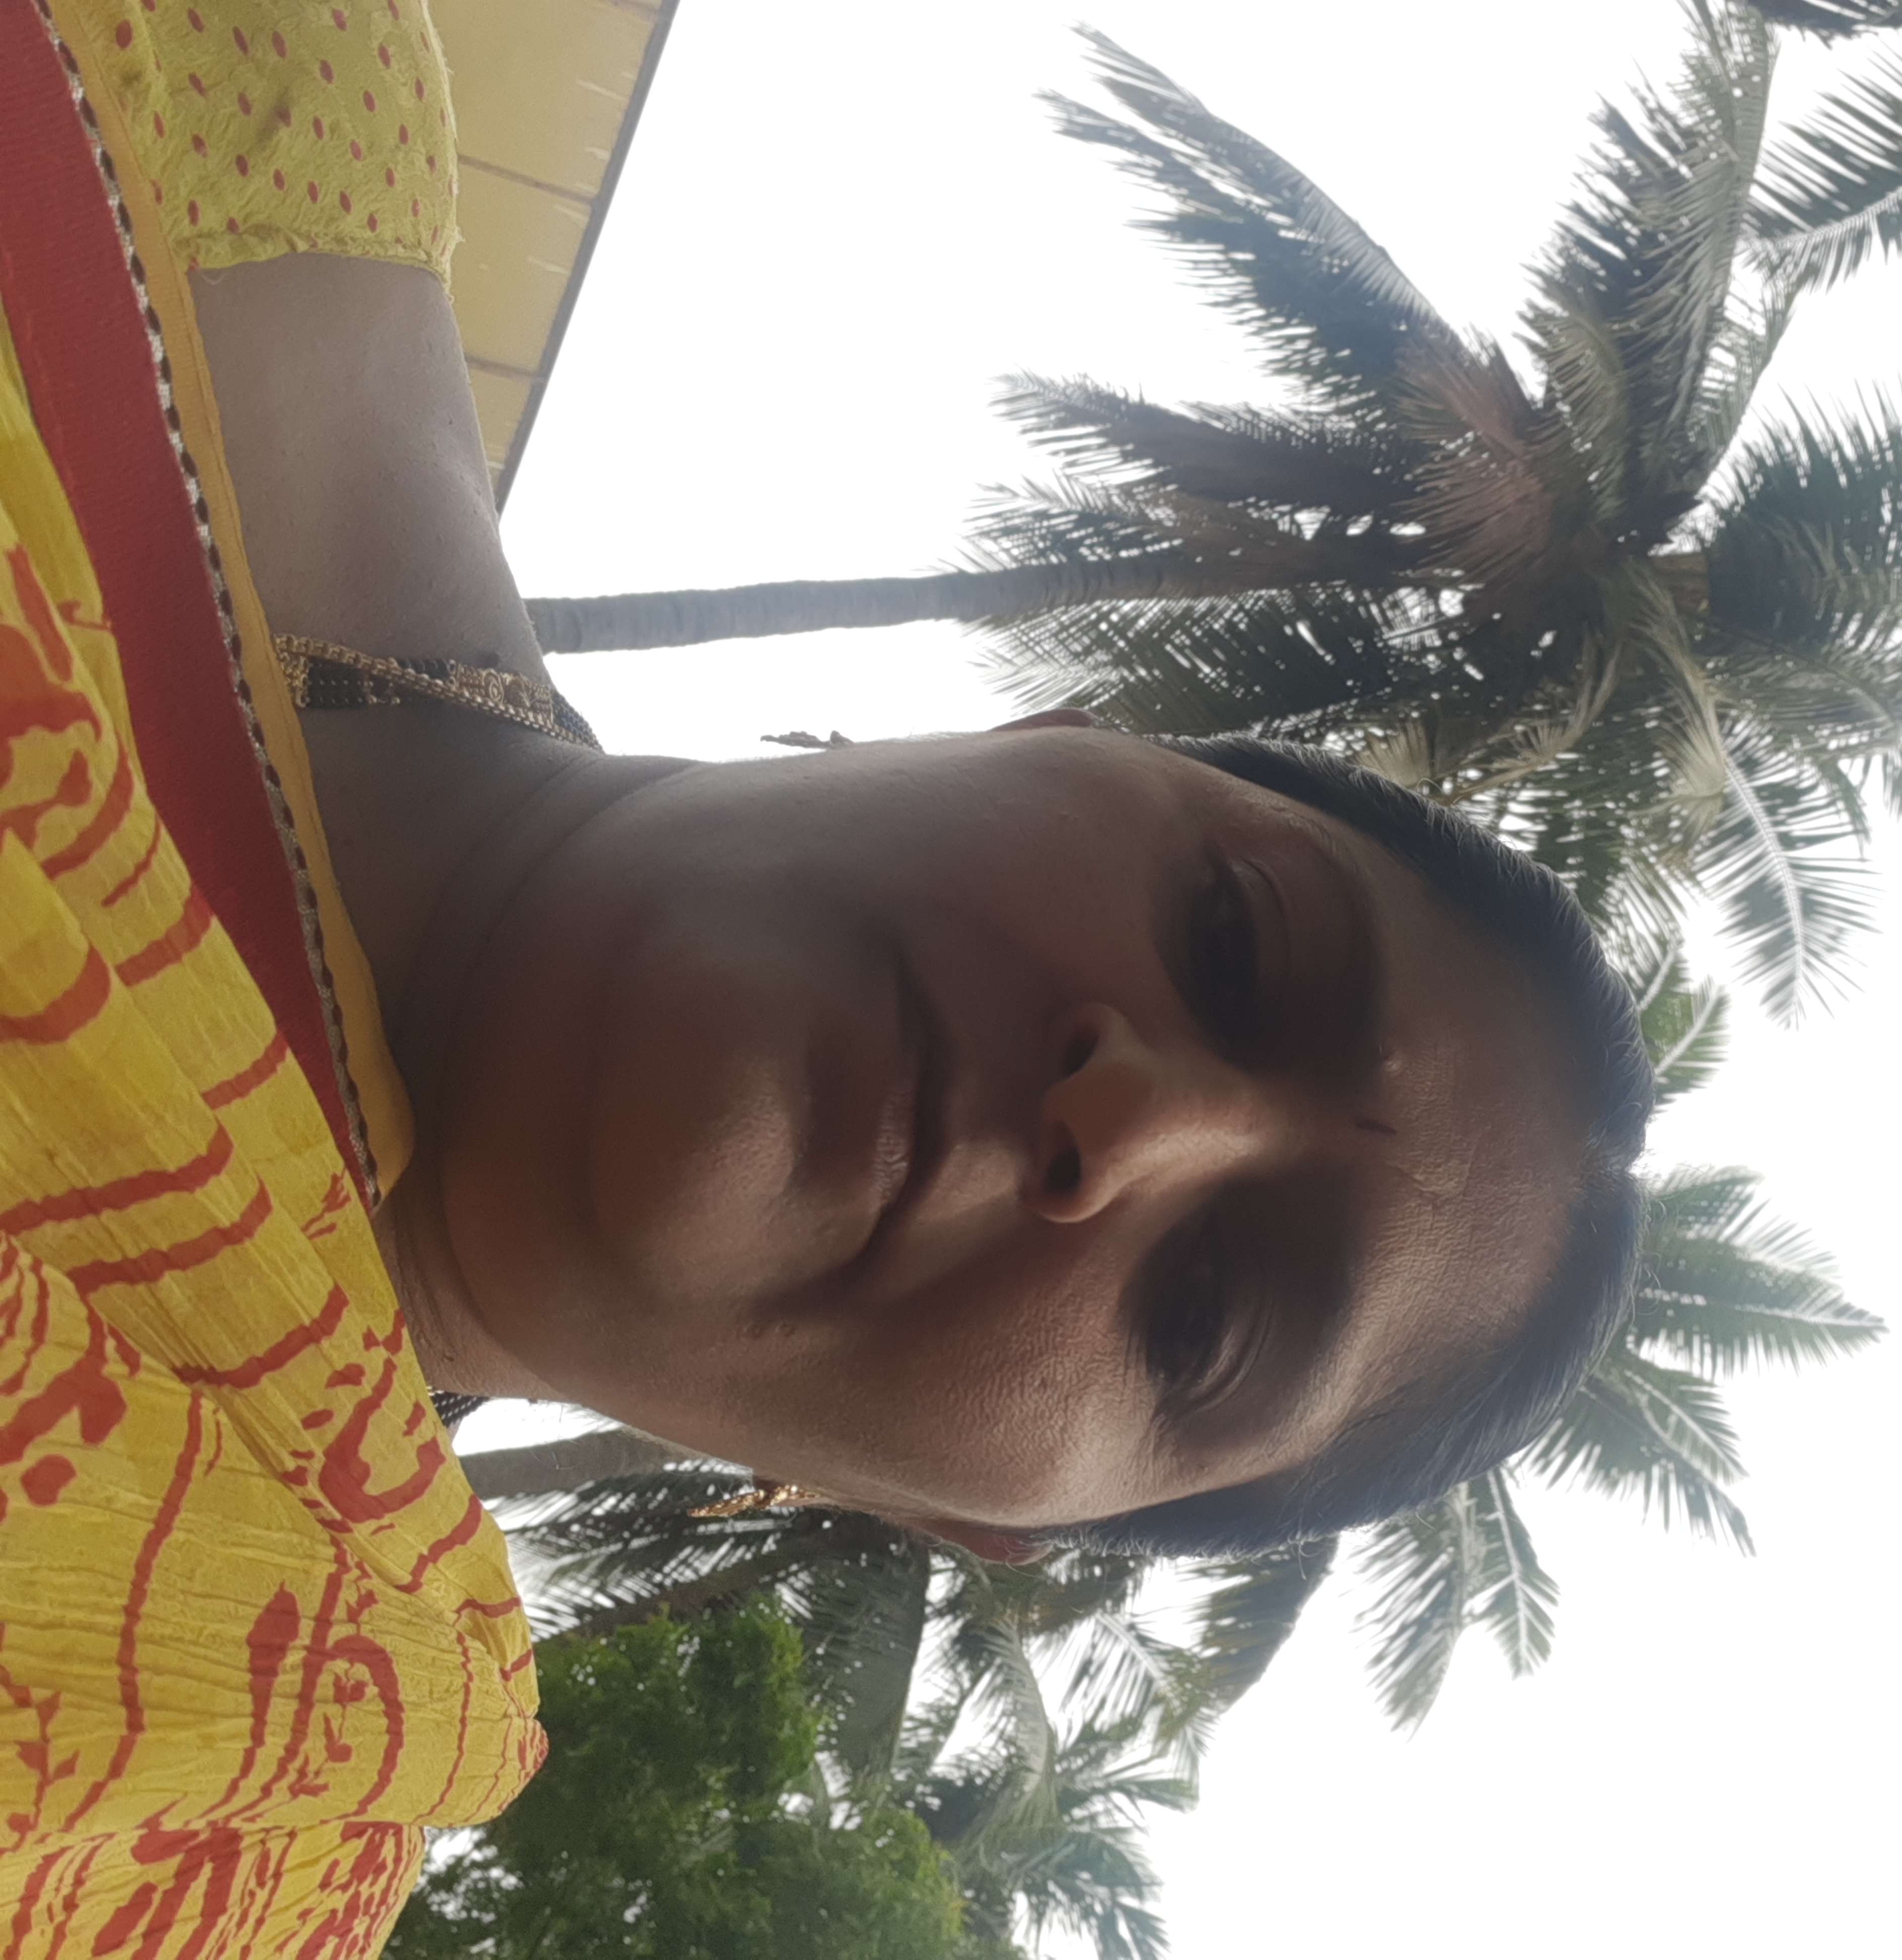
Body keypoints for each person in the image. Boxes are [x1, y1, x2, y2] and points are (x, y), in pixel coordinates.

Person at [0, 2, 1651, 1954]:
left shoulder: (207, 1830)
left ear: (971, 1516)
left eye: (1206, 1315)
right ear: (1055, 735)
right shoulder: (268, 92)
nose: (1132, 1120)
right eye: (1232, 938)